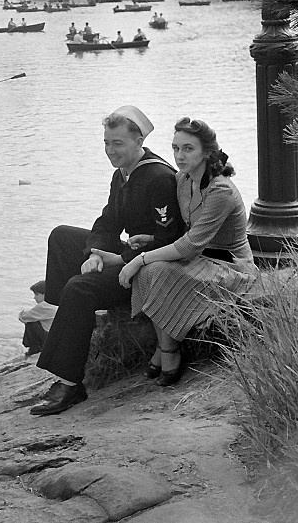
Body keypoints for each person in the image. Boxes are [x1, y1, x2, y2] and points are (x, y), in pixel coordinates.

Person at [28, 106, 185, 416]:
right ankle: (68, 319)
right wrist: (96, 254)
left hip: (150, 268)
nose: (111, 150)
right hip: (129, 254)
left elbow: (171, 240)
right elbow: (107, 222)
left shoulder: (158, 178)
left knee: (79, 288)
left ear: (138, 141)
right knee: (61, 237)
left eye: (118, 143)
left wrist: (120, 257)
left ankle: (71, 383)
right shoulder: (122, 174)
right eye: (106, 143)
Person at [118, 117, 258, 386]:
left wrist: (138, 259)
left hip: (230, 264)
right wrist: (149, 239)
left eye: (188, 149)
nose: (179, 156)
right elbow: (185, 229)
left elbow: (190, 245)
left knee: (153, 268)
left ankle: (168, 351)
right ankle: (164, 345)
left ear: (207, 152)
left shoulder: (220, 190)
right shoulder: (182, 180)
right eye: (175, 148)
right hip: (201, 256)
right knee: (151, 270)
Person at [18, 280, 57, 356]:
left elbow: (24, 316)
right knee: (33, 319)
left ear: (45, 294)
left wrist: (23, 318)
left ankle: (35, 348)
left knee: (31, 322)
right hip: (55, 335)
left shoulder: (45, 305)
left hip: (49, 338)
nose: (34, 297)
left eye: (36, 294)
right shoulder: (55, 302)